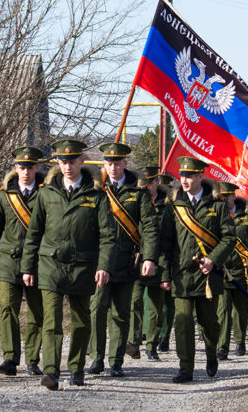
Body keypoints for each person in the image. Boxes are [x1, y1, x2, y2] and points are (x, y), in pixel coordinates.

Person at [21, 139, 115, 391]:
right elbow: (33, 233)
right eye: (63, 162)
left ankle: (76, 367)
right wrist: (28, 268)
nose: (67, 166)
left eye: (72, 161)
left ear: (82, 161)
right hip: (50, 266)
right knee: (51, 321)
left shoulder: (96, 195)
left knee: (81, 321)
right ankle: (51, 371)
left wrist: (103, 266)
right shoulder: (46, 192)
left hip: (83, 267)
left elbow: (108, 236)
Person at [160, 156, 235, 384]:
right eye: (182, 175)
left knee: (210, 323)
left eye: (190, 175)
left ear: (201, 176)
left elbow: (229, 237)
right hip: (182, 274)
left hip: (208, 276)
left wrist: (213, 260)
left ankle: (212, 354)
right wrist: (165, 274)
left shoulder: (218, 205)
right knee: (182, 323)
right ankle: (186, 368)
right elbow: (166, 242)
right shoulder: (173, 206)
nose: (185, 179)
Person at [87, 143, 159, 378]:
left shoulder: (138, 192)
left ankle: (116, 361)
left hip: (128, 261)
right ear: (104, 164)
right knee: (97, 308)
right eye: (109, 162)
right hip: (100, 261)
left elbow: (149, 227)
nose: (114, 166)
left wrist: (149, 257)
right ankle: (97, 357)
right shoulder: (96, 190)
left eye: (118, 162)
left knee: (121, 313)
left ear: (126, 163)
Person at [0, 147, 45, 377]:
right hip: (8, 261)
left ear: (37, 168)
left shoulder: (46, 193)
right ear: (15, 168)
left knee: (37, 312)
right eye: (21, 167)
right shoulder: (3, 195)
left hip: (37, 262)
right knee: (8, 309)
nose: (25, 171)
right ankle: (10, 358)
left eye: (30, 167)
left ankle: (32, 359)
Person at [127, 166, 170, 361]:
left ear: (156, 183)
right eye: (143, 183)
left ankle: (152, 345)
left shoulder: (167, 207)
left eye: (150, 183)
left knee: (155, 306)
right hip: (136, 259)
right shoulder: (134, 201)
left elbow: (169, 239)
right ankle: (134, 342)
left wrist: (166, 269)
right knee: (134, 302)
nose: (146, 187)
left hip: (159, 261)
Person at [216, 182, 248, 359]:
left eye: (229, 196)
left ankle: (240, 341)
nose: (226, 200)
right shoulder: (217, 215)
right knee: (223, 310)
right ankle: (222, 347)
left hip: (242, 271)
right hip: (222, 270)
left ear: (235, 196)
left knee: (240, 310)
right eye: (223, 197)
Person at [157, 172, 177, 353]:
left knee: (168, 303)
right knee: (149, 303)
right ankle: (148, 335)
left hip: (171, 258)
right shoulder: (146, 201)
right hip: (149, 258)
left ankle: (164, 336)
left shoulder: (171, 206)